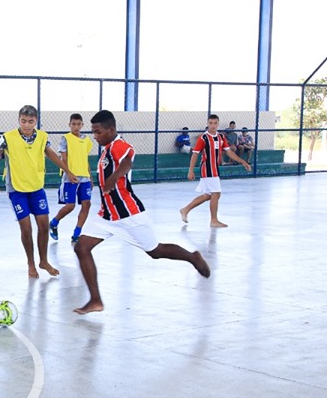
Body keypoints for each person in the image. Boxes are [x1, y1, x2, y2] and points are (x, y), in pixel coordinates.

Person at [73, 111, 210, 315]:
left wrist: (114, 177)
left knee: (155, 251)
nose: (96, 136)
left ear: (111, 130)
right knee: (82, 247)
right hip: (107, 215)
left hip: (129, 214)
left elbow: (128, 161)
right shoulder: (107, 148)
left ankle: (193, 257)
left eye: (98, 132)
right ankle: (95, 300)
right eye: (93, 132)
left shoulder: (119, 146)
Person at [0, 105, 77, 278]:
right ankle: (31, 264)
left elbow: (51, 155)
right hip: (17, 189)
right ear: (19, 120)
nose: (27, 125)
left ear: (36, 121)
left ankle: (43, 261)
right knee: (26, 228)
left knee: (43, 225)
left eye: (31, 121)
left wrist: (68, 172)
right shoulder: (8, 137)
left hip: (36, 187)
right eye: (23, 121)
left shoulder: (42, 137)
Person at [179, 114, 252, 228]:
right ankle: (214, 220)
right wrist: (191, 170)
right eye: (211, 123)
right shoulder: (203, 138)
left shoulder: (221, 137)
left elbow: (229, 152)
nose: (213, 125)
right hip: (207, 168)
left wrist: (243, 161)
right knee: (216, 193)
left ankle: (185, 209)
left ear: (218, 124)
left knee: (209, 195)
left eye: (215, 123)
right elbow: (195, 154)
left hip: (215, 168)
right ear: (208, 124)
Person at [48, 114, 94, 244]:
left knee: (87, 204)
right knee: (70, 206)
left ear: (82, 125)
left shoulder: (86, 140)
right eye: (73, 124)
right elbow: (64, 158)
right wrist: (68, 173)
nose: (76, 126)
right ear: (69, 125)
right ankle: (54, 222)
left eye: (78, 124)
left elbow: (85, 159)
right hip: (70, 177)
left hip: (84, 177)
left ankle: (77, 233)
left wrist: (90, 177)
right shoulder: (66, 138)